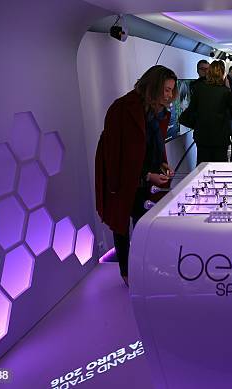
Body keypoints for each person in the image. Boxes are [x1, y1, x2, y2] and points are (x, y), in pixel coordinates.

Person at [95, 65, 177, 287]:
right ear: (153, 86)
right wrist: (147, 175)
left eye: (172, 90)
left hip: (148, 180)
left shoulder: (158, 112)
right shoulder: (122, 109)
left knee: (146, 226)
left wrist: (162, 166)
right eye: (166, 90)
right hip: (124, 182)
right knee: (123, 228)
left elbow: (154, 147)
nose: (169, 96)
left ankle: (147, 268)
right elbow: (116, 156)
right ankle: (128, 273)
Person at [187, 60, 232, 163]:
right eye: (202, 69)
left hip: (204, 137)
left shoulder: (198, 88)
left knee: (203, 167)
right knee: (219, 169)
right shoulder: (224, 91)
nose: (205, 72)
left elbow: (190, 111)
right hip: (219, 138)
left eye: (207, 69)